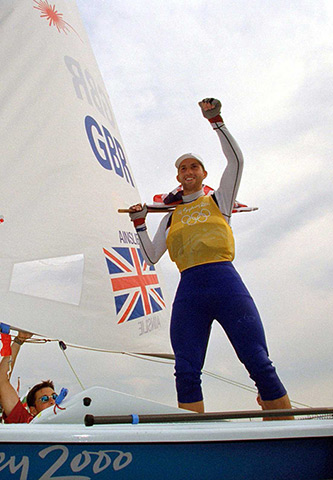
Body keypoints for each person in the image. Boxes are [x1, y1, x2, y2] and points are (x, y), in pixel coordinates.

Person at [128, 98, 291, 415]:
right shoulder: (170, 217)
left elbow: (237, 162)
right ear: (178, 178)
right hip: (190, 291)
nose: (187, 171)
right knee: (186, 370)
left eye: (193, 166)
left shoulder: (221, 200)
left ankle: (285, 425)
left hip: (226, 284)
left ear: (203, 173)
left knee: (258, 361)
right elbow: (150, 257)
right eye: (182, 168)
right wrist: (139, 225)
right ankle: (195, 435)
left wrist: (216, 121)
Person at [0, 332, 59, 423]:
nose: (52, 401)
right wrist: (19, 341)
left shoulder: (75, 421)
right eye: (45, 399)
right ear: (33, 410)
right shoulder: (27, 423)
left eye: (55, 396)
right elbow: (1, 380)